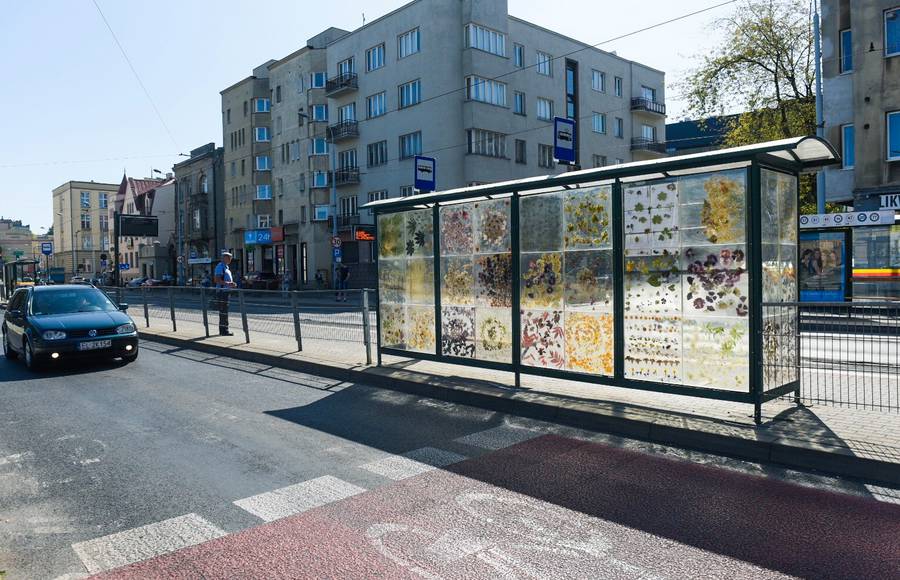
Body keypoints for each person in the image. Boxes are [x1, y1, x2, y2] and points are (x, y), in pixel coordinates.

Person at [214, 251, 237, 336]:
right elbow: (217, 280)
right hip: (222, 292)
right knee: (223, 312)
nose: (230, 259)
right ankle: (224, 331)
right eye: (229, 257)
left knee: (224, 312)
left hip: (226, 292)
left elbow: (224, 280)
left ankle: (224, 330)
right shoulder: (220, 267)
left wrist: (231, 284)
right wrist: (228, 284)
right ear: (224, 258)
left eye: (230, 257)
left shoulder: (226, 267)